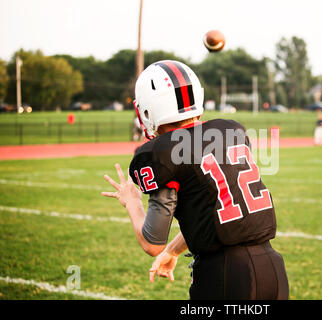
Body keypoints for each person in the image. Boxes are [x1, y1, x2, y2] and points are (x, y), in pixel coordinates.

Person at [101, 60, 289, 300]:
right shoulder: (231, 131)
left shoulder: (161, 152)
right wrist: (174, 251)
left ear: (148, 110)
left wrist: (132, 202)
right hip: (273, 270)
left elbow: (152, 243)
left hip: (225, 277)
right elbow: (216, 214)